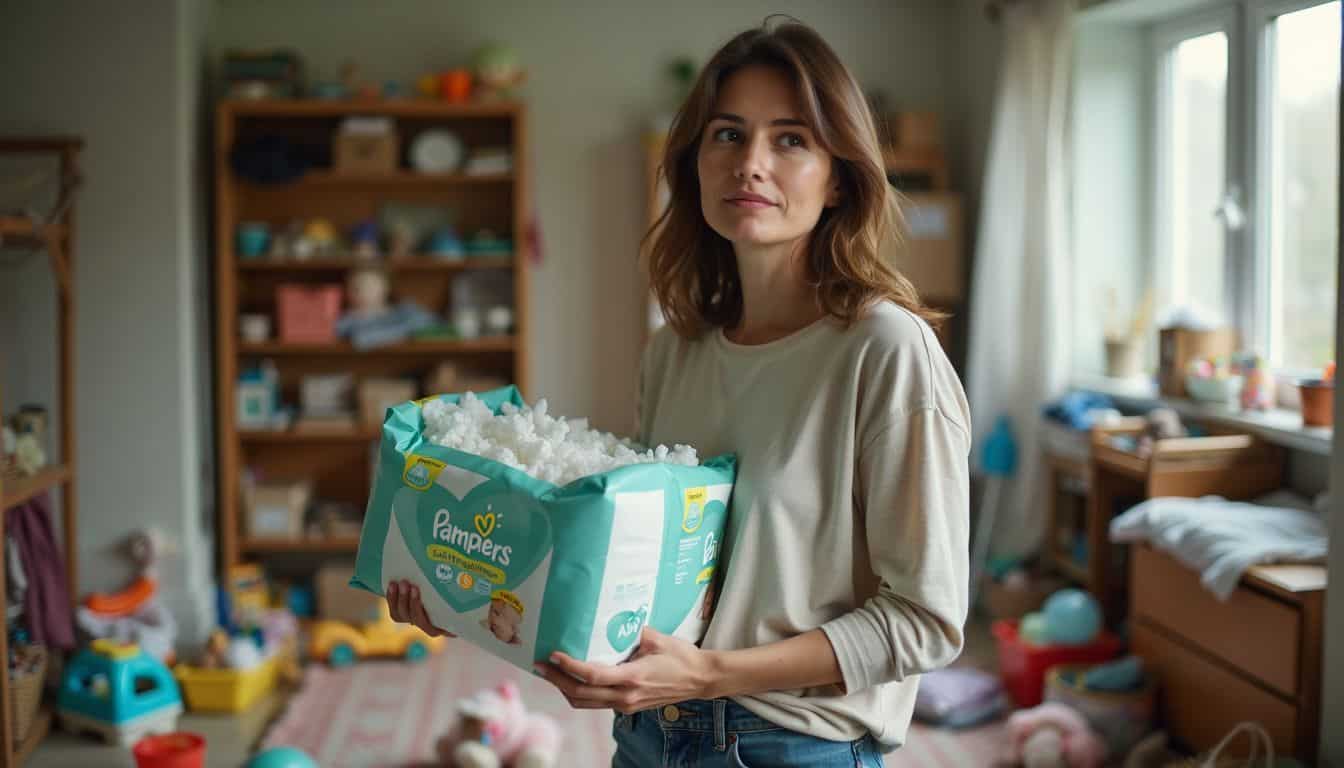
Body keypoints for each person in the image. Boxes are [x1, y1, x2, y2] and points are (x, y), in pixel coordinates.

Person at [388, 17, 970, 767]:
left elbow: (925, 621)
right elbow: (647, 571)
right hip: (648, 737)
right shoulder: (674, 351)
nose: (750, 163)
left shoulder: (885, 350)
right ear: (695, 161)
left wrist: (712, 674)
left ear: (838, 178)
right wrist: (465, 596)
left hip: (793, 749)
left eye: (791, 139)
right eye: (728, 134)